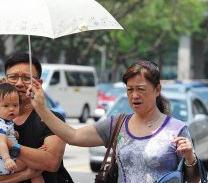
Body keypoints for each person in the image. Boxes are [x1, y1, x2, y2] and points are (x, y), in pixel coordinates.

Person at [28, 60, 200, 183]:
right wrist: (42, 108)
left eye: (141, 89)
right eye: (130, 90)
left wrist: (190, 158)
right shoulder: (117, 124)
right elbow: (73, 135)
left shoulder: (177, 129)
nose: (134, 96)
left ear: (157, 89)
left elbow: (193, 179)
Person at [0, 53, 73, 183]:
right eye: (13, 77)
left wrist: (6, 145)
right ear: (4, 81)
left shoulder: (52, 120)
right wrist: (27, 173)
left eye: (27, 78)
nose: (19, 83)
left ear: (39, 83)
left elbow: (51, 163)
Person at [0, 83, 44, 183]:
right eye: (6, 106)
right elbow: (2, 143)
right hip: (2, 164)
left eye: (15, 105)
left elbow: (7, 135)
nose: (12, 109)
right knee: (34, 164)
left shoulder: (1, 120)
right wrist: (7, 159)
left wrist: (13, 134)